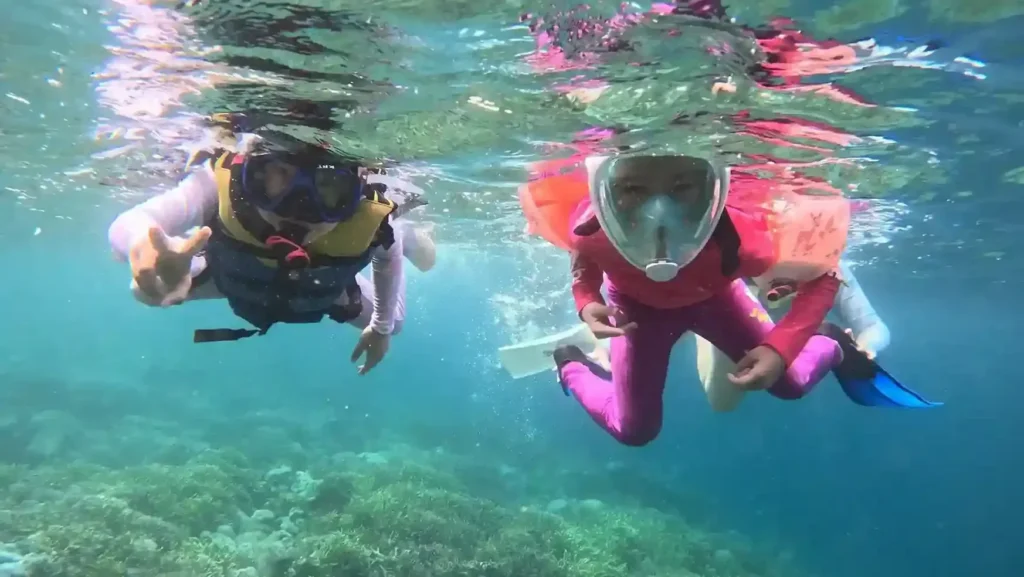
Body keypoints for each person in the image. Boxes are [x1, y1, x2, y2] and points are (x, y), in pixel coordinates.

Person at [512, 153, 939, 446]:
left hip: (715, 300)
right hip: (640, 310)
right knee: (634, 429)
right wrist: (586, 301)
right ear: (605, 192)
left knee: (787, 385)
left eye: (682, 188)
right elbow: (584, 258)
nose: (658, 214)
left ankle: (831, 344)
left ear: (712, 189)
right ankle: (571, 361)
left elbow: (825, 277)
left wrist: (782, 346)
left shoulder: (743, 240)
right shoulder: (589, 229)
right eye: (633, 190)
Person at [107, 128, 435, 375]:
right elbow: (131, 221)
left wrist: (379, 328)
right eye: (273, 179)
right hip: (227, 274)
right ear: (248, 173)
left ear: (355, 193)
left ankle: (408, 235)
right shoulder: (218, 185)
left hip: (325, 288)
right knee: (148, 291)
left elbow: (385, 256)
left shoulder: (376, 217)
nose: (297, 209)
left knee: (394, 321)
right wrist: (142, 246)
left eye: (329, 189)